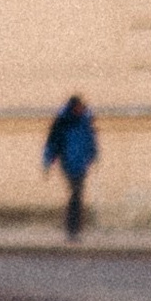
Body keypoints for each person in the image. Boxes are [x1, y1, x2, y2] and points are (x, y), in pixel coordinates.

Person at [44, 92, 99, 240]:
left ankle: (74, 229)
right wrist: (47, 161)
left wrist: (94, 155)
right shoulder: (62, 122)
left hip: (81, 163)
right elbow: (52, 142)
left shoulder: (84, 121)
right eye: (78, 107)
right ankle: (72, 230)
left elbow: (90, 139)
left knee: (77, 195)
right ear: (74, 107)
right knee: (76, 194)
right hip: (67, 163)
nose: (81, 109)